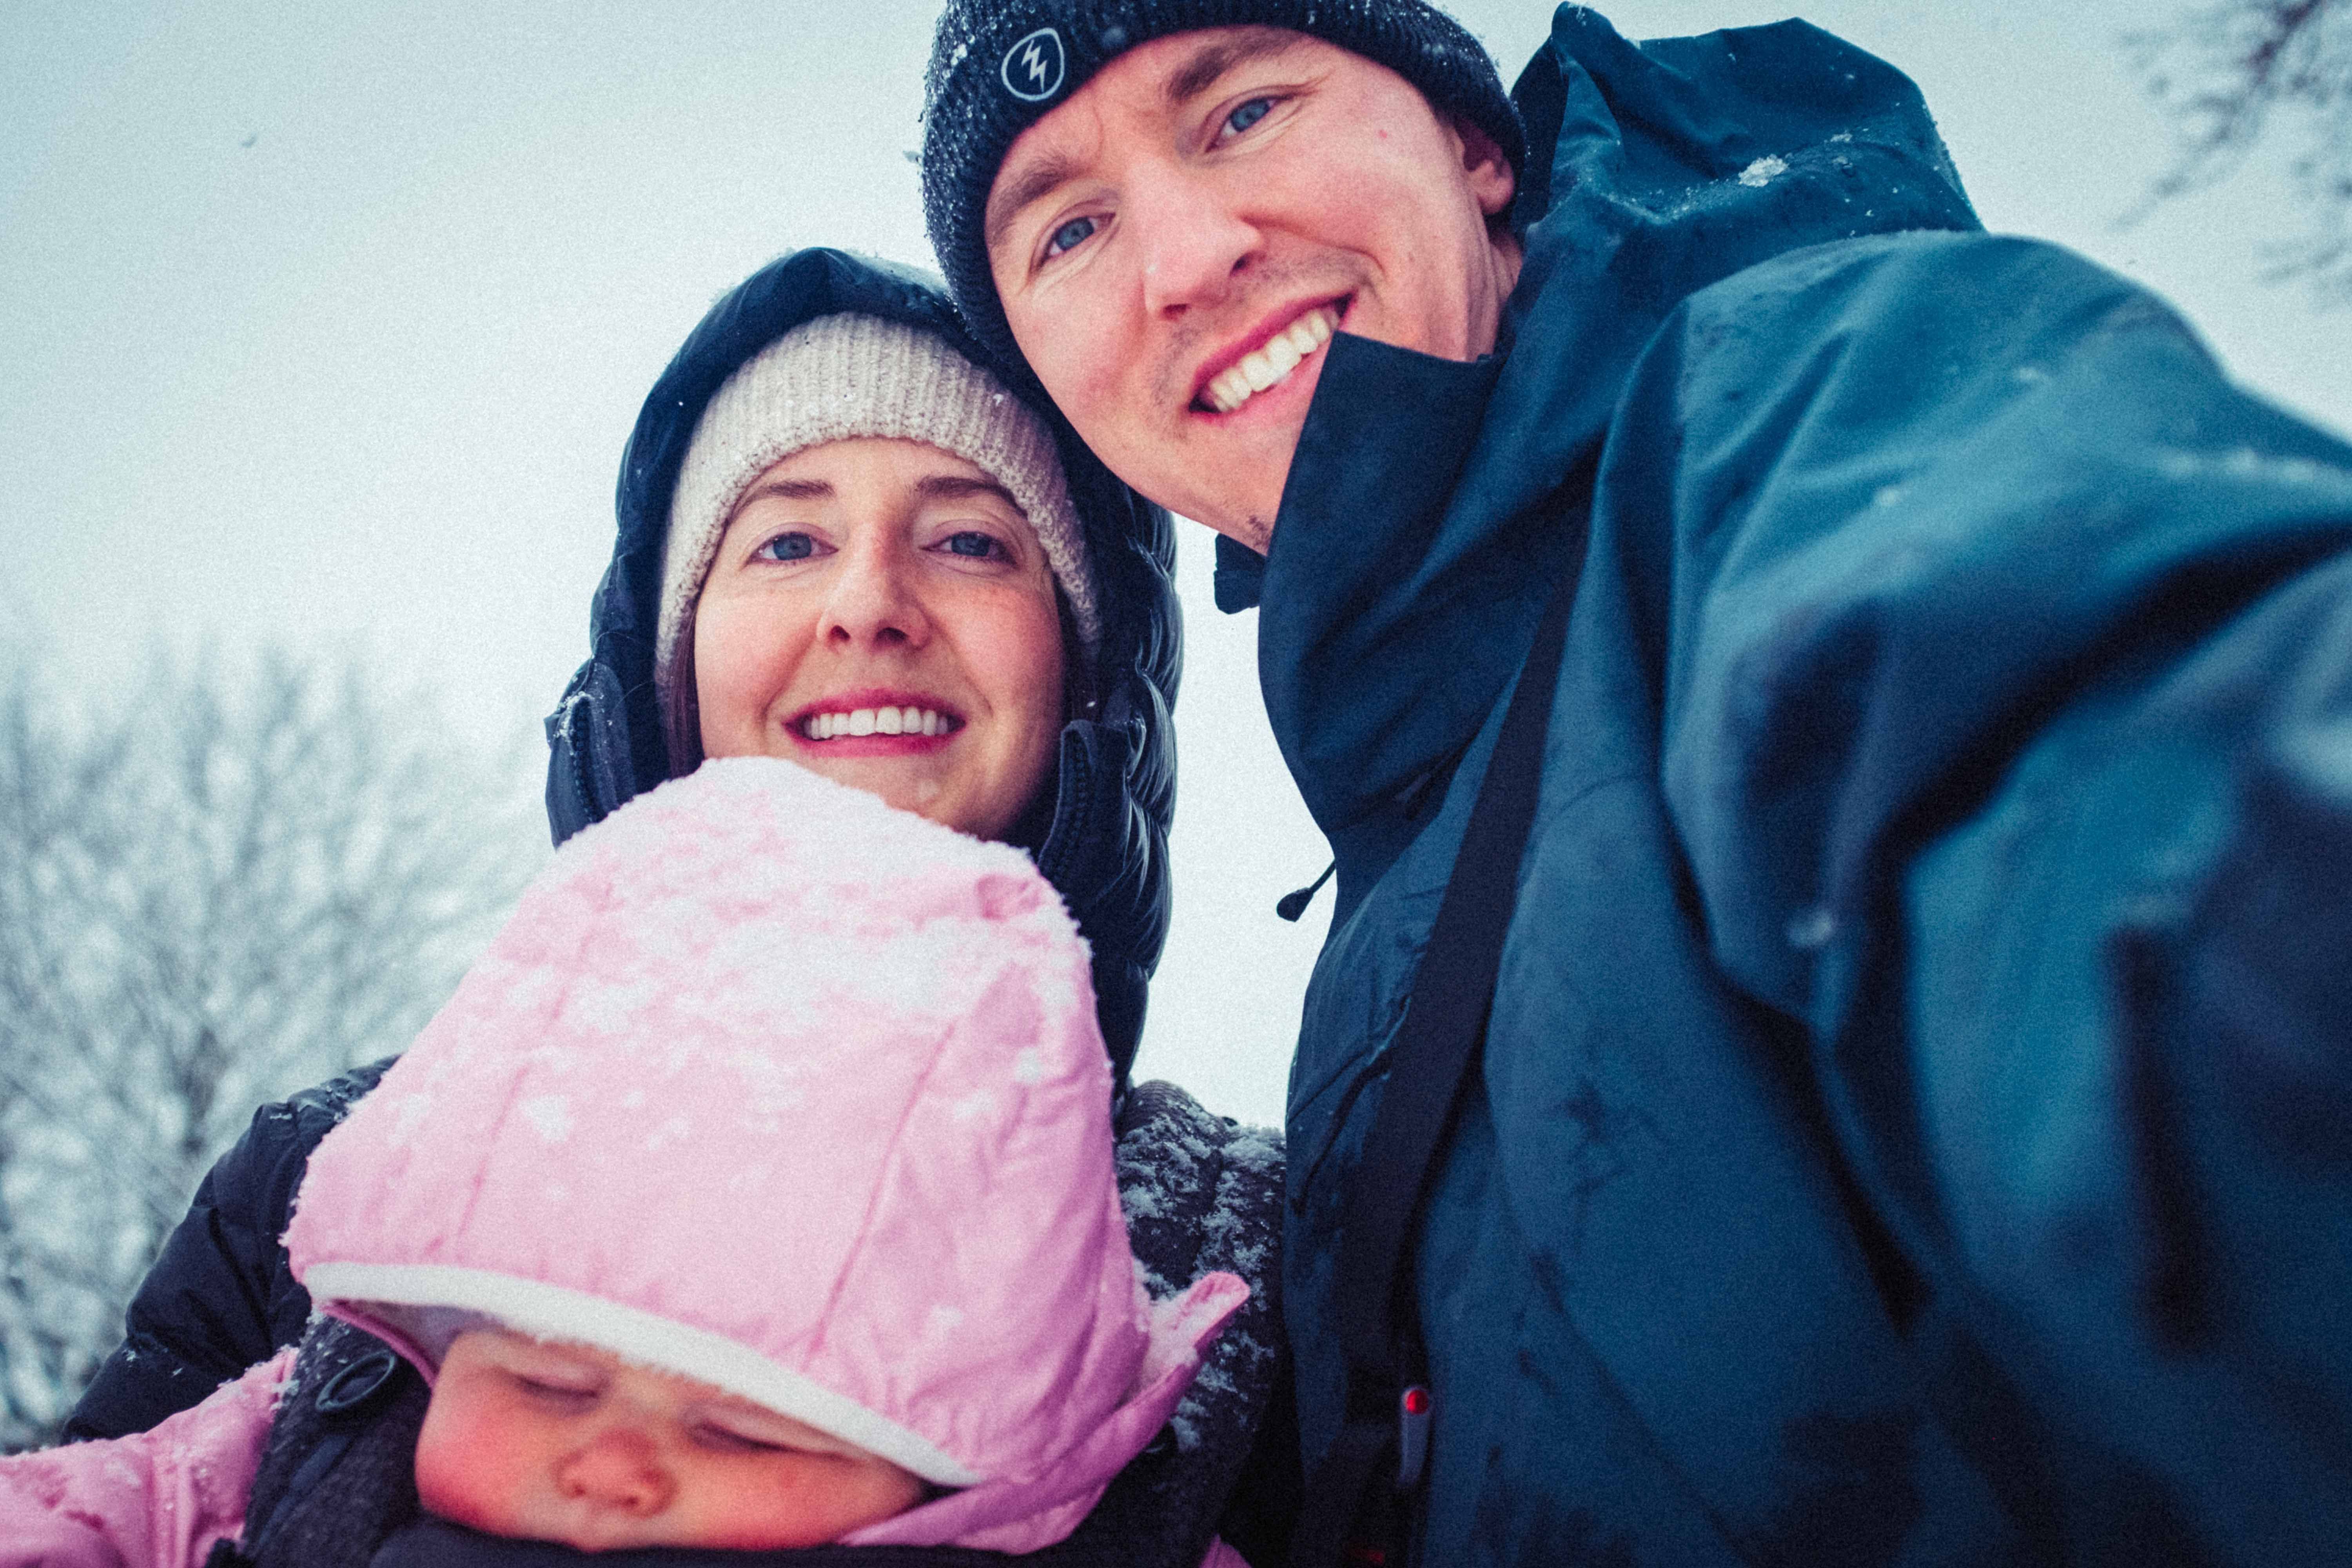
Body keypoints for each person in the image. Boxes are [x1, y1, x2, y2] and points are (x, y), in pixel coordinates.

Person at [918, 2, 2352, 1563]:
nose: (1185, 259)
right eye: (1067, 230)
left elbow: (2122, 766)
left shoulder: (1796, 415)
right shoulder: (1389, 874)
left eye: (1244, 114)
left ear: (1476, 152)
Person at [65, 250, 1297, 1567]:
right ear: (669, 665)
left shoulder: (1265, 1243)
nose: (868, 604)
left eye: (967, 541)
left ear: (1087, 679)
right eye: (787, 540)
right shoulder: (319, 1180)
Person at [1, 759, 1254, 1566]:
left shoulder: (1241, 1239)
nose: (612, 1462)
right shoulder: (290, 1454)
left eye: (746, 1430)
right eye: (544, 1381)